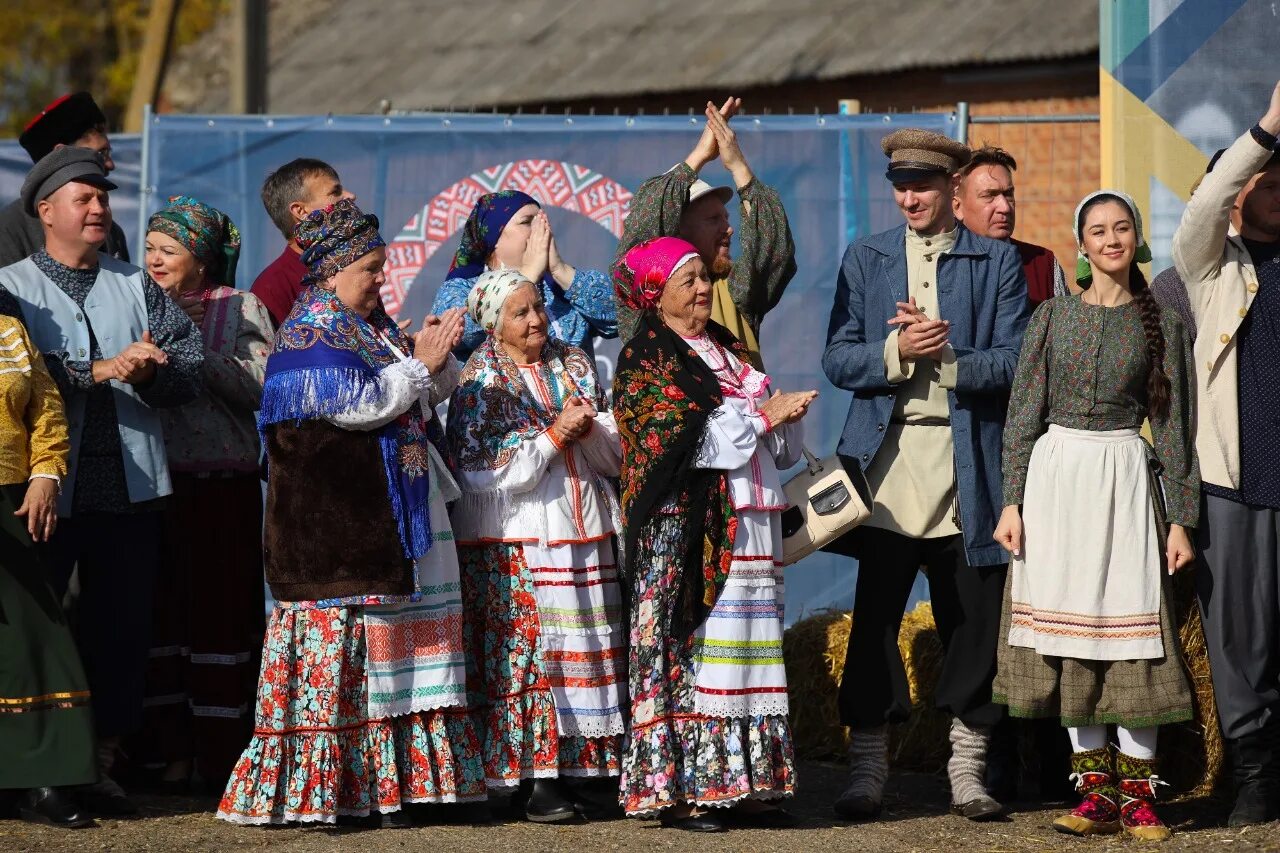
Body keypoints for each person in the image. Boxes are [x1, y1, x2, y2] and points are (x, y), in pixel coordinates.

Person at [218, 199, 485, 826]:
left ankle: (398, 789)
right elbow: (361, 406)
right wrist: (420, 365)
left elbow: (411, 400)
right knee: (347, 665)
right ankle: (336, 792)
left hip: (392, 523)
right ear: (334, 269)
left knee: (399, 665)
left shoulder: (371, 328)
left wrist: (435, 365)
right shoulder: (310, 331)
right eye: (371, 268)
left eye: (383, 267)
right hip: (334, 535)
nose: (380, 280)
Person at [823, 129, 1030, 822]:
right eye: (900, 186)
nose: (910, 197)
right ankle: (868, 770)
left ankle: (967, 769)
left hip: (967, 464)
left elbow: (1014, 363)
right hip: (887, 466)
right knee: (876, 619)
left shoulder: (996, 261)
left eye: (924, 185)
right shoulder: (867, 256)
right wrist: (894, 348)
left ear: (950, 189)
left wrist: (942, 356)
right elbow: (838, 358)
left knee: (973, 620)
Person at [0, 146, 203, 815]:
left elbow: (190, 364)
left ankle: (100, 766)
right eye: (82, 199)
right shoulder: (13, 287)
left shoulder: (135, 283)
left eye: (102, 198)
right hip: (41, 491)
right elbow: (26, 377)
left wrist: (151, 373)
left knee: (120, 629)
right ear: (45, 211)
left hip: (130, 489)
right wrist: (99, 369)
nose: (98, 209)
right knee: (38, 635)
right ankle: (33, 765)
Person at [993, 191, 1198, 841]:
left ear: (1137, 239)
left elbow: (1173, 429)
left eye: (1122, 228)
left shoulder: (1161, 320)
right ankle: (1095, 795)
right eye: (1097, 230)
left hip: (1123, 481)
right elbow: (1023, 414)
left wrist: (1179, 518)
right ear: (1080, 246)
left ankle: (1139, 797)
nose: (1111, 239)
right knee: (1073, 636)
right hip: (1057, 486)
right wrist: (1012, 500)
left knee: (1133, 635)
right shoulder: (1051, 316)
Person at [613, 236, 816, 832]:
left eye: (704, 276)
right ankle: (688, 789)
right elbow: (673, 441)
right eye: (688, 280)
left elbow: (766, 446)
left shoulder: (729, 351)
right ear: (656, 292)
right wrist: (759, 415)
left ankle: (750, 784)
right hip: (687, 531)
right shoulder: (646, 357)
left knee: (749, 649)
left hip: (749, 519)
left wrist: (784, 420)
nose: (703, 288)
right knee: (695, 653)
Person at [445, 268, 626, 822]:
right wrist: (553, 436)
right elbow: (480, 473)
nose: (537, 321)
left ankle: (590, 770)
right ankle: (535, 777)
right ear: (494, 326)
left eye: (539, 308)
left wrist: (589, 430)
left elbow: (613, 452)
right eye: (521, 313)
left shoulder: (572, 362)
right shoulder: (482, 379)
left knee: (590, 648)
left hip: (582, 525)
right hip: (521, 539)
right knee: (535, 659)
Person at [130, 196, 271, 793]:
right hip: (156, 489)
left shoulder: (240, 307)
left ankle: (221, 757)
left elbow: (260, 387)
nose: (155, 259)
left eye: (171, 249)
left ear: (203, 259)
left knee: (220, 617)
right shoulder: (132, 304)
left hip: (223, 490)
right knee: (163, 616)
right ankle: (168, 754)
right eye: (151, 248)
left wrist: (192, 350)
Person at [1172, 79, 1280, 827]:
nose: (1276, 190)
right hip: (1236, 481)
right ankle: (1255, 773)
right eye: (1264, 181)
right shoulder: (1213, 270)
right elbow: (1202, 210)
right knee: (1237, 640)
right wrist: (1267, 129)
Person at [612, 98, 795, 370]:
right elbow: (644, 223)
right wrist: (698, 156)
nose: (728, 228)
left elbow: (774, 246)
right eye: (712, 220)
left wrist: (738, 166)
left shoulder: (734, 289)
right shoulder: (648, 297)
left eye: (726, 218)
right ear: (677, 230)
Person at [0, 312, 96, 829]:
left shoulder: (9, 331)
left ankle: (39, 780)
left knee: (33, 639)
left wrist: (44, 475)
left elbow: (47, 410)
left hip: (13, 504)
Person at [432, 191, 617, 361]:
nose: (541, 228)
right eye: (527, 222)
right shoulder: (460, 290)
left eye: (542, 220)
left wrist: (559, 269)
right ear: (494, 238)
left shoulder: (561, 288)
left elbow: (621, 318)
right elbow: (455, 335)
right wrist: (526, 278)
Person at [0, 92, 129, 267]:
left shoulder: (112, 232)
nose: (110, 164)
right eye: (100, 154)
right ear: (59, 154)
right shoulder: (11, 230)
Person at [953, 145, 1070, 306]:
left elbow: (1064, 329)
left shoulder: (1043, 264)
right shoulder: (942, 264)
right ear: (957, 207)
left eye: (1008, 194)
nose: (1005, 207)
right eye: (989, 195)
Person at [250, 158, 355, 328]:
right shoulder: (273, 288)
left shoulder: (354, 266)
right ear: (300, 211)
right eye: (335, 192)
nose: (351, 196)